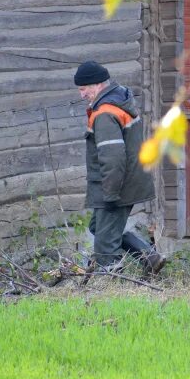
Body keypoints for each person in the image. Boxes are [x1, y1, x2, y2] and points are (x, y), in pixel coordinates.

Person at [74, 61, 164, 275]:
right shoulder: (119, 104)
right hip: (128, 183)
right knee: (99, 227)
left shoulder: (105, 114)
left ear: (96, 85)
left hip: (117, 187)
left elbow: (113, 157)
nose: (81, 94)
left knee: (105, 244)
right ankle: (149, 257)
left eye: (83, 89)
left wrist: (111, 194)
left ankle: (110, 288)